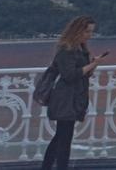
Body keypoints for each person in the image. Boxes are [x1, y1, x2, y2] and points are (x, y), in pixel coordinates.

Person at [42, 15, 106, 170]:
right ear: (78, 31)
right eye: (88, 32)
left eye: (92, 32)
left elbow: (83, 74)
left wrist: (93, 64)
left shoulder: (80, 49)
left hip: (74, 97)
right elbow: (70, 75)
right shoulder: (67, 49)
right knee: (64, 138)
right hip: (65, 98)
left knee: (61, 137)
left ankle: (47, 166)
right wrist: (93, 64)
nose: (90, 35)